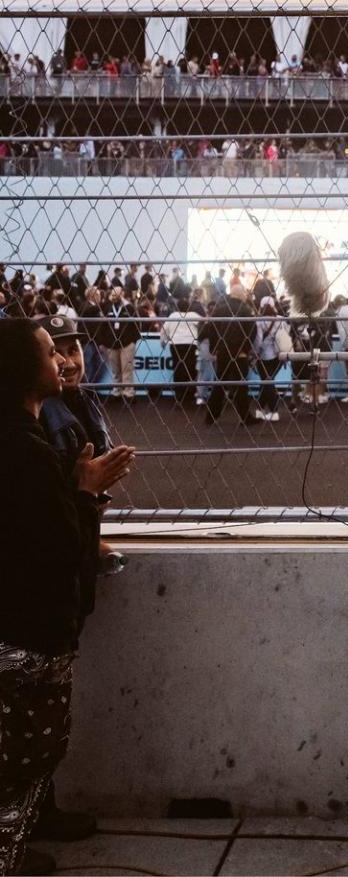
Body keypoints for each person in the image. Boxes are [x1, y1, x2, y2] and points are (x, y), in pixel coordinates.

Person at [0, 320, 134, 874]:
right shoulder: (26, 453)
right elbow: (57, 549)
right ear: (22, 373)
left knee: (22, 740)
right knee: (32, 747)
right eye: (50, 352)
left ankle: (31, 823)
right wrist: (84, 492)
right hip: (29, 633)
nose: (63, 360)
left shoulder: (20, 439)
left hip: (17, 626)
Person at [203, 283, 257, 425]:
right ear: (240, 295)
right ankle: (245, 417)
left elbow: (211, 329)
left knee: (219, 384)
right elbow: (252, 332)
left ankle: (211, 416)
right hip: (239, 353)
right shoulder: (246, 311)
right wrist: (245, 349)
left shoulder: (219, 310)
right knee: (241, 386)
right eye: (244, 293)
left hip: (223, 352)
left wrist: (214, 349)